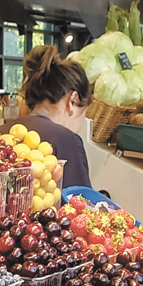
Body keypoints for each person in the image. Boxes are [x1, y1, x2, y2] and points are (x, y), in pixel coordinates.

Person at [7, 45, 91, 190]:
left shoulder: (3, 130)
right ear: (73, 101)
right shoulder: (68, 141)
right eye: (84, 112)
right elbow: (82, 205)